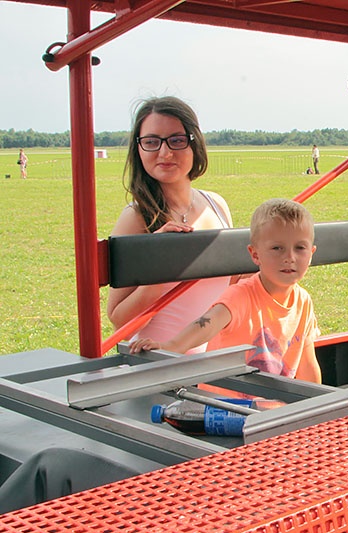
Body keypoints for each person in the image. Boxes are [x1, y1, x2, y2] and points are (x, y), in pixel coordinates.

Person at [130, 199, 322, 384]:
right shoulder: (242, 295)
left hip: (272, 410)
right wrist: (171, 346)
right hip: (225, 408)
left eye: (299, 248)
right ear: (255, 254)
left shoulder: (303, 301)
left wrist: (319, 406)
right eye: (277, 248)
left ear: (311, 253)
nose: (289, 257)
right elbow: (208, 324)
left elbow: (307, 362)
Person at [107, 96, 234, 353]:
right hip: (157, 365)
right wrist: (158, 271)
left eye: (176, 140)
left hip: (215, 364)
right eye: (152, 142)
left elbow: (231, 293)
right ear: (138, 149)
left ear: (194, 144)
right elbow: (119, 322)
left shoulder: (216, 205)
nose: (165, 153)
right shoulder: (137, 217)